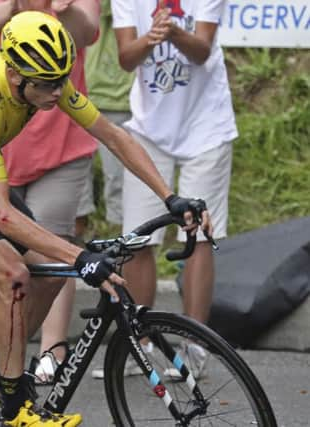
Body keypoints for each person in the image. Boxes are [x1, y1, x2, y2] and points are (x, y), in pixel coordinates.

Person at [0, 11, 211, 425]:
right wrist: (80, 255)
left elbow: (114, 136)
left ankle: (2, 371)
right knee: (12, 272)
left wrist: (170, 197)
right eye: (48, 84)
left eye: (62, 79)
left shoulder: (44, 77)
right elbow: (1, 215)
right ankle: (15, 403)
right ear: (16, 76)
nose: (58, 92)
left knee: (53, 273)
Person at [0, 0, 100, 384]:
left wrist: (66, 8)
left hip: (61, 142)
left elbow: (87, 31)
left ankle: (52, 348)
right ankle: (5, 354)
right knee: (9, 256)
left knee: (53, 248)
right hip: (1, 139)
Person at [111, 0, 237, 378]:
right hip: (149, 131)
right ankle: (141, 345)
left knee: (198, 233)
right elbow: (126, 58)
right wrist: (152, 36)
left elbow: (201, 50)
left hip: (206, 127)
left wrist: (175, 32)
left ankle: (196, 347)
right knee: (138, 236)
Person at [77, 0, 133, 238]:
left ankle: (122, 257)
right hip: (74, 98)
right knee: (74, 194)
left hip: (119, 99)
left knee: (120, 189)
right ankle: (70, 262)